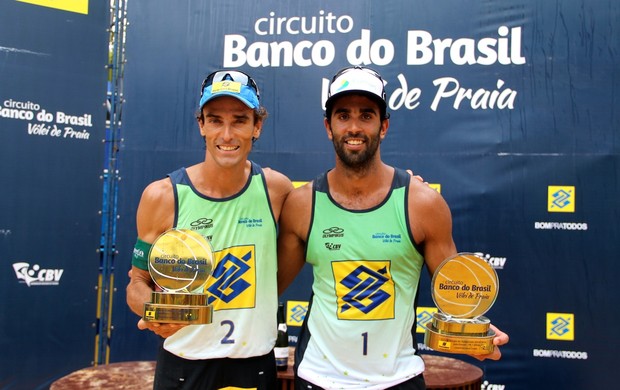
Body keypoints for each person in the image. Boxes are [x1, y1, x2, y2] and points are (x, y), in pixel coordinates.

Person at [276, 66, 509, 390]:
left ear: (383, 126)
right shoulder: (303, 205)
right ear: (328, 127)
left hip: (398, 380)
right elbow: (268, 288)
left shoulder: (422, 204)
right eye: (343, 116)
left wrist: (474, 333)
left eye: (366, 115)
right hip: (318, 378)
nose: (354, 127)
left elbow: (456, 295)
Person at [126, 69, 293, 389]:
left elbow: (337, 206)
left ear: (257, 126)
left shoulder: (277, 189)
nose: (227, 134)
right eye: (215, 120)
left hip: (253, 364)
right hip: (184, 366)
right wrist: (154, 310)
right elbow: (137, 281)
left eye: (240, 120)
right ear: (201, 124)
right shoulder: (162, 196)